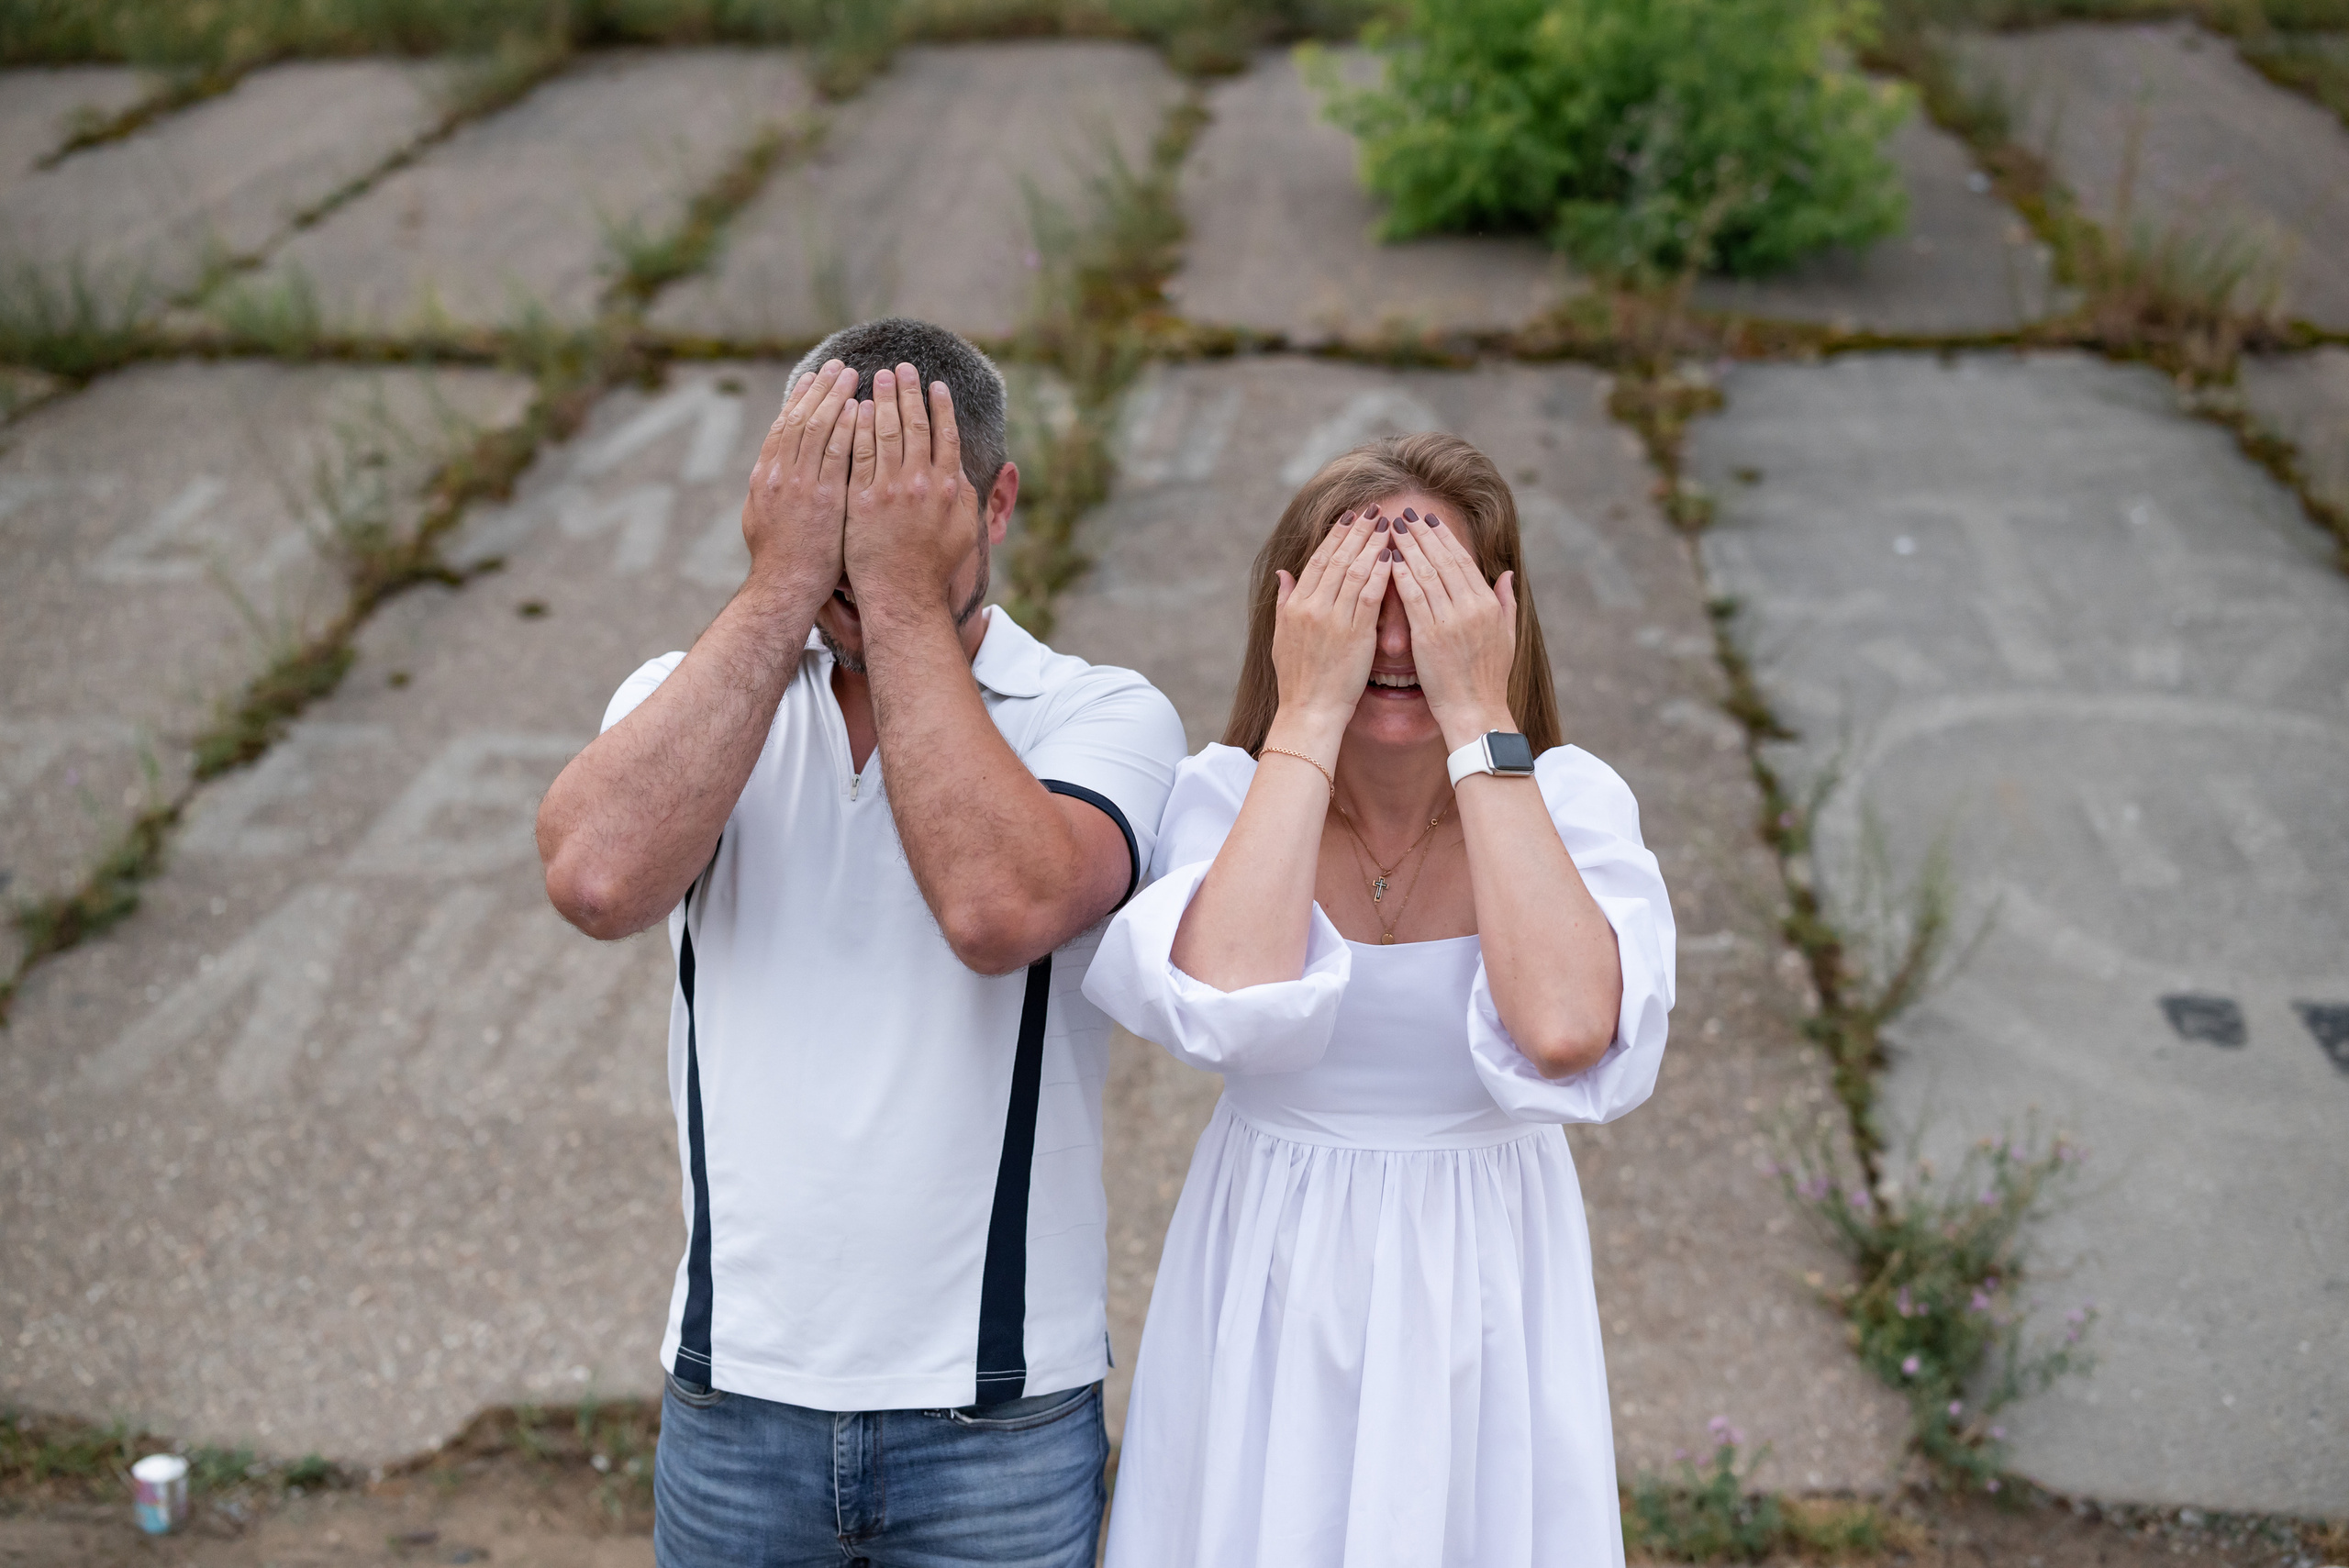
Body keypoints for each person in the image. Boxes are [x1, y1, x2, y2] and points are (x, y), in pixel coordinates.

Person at [535, 317, 1186, 1568]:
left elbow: (997, 909)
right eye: (834, 496)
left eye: (901, 502)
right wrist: (782, 587)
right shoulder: (692, 694)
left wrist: (892, 596)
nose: (858, 536)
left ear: (993, 506)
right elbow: (599, 877)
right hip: (734, 1405)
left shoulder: (1099, 713)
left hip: (998, 1420)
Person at [1081, 433, 1675, 1567]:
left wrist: (1475, 717)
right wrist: (1304, 715)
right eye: (1362, 601)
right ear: (1295, 616)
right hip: (1270, 1271)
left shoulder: (1571, 803)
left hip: (1488, 1276)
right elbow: (1233, 994)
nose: (1395, 639)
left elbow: (1562, 1028)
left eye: (1433, 601)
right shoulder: (1223, 799)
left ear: (1496, 615)